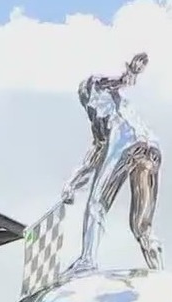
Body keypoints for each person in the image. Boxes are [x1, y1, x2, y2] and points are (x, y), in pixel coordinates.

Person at [62, 52, 164, 273]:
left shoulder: (97, 90)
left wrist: (129, 73)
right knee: (141, 225)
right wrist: (71, 185)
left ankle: (88, 259)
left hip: (125, 140)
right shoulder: (104, 123)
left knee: (97, 203)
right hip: (151, 147)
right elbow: (92, 159)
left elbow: (115, 82)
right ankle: (158, 267)